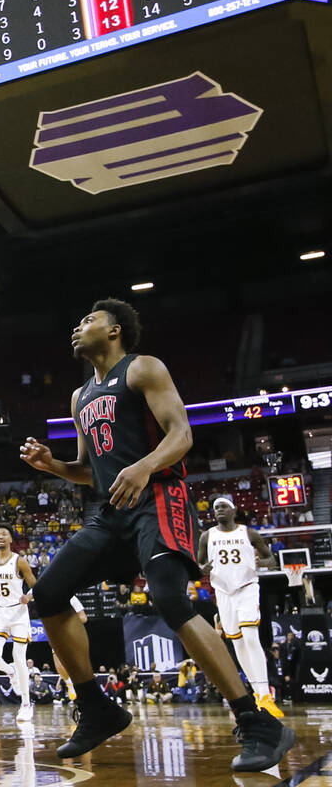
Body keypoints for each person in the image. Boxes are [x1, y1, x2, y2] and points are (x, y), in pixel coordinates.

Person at [20, 298, 293, 771]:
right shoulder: (79, 396)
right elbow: (90, 472)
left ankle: (257, 722)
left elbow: (181, 434)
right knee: (48, 593)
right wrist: (53, 466)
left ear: (114, 331)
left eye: (89, 320)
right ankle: (97, 707)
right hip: (111, 511)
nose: (78, 326)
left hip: (158, 498)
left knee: (169, 599)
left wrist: (145, 467)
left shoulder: (142, 368)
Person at [198, 496, 281, 718]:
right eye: (216, 508)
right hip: (223, 592)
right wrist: (202, 569)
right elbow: (199, 564)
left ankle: (266, 695)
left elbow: (271, 560)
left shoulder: (249, 533)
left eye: (223, 507)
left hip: (246, 587)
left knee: (251, 636)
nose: (219, 511)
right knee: (237, 644)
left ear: (234, 510)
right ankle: (257, 693)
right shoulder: (207, 536)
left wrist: (258, 563)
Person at [0, 523, 36, 722]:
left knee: (19, 656)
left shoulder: (20, 561)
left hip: (18, 613)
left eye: (5, 534)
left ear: (11, 539)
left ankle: (26, 705)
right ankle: (11, 673)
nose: (1, 537)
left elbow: (36, 586)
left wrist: (29, 596)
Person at [52, 596, 87, 702]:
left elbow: (84, 618)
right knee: (59, 666)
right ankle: (69, 683)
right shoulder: (49, 597)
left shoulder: (71, 598)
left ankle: (84, 691)